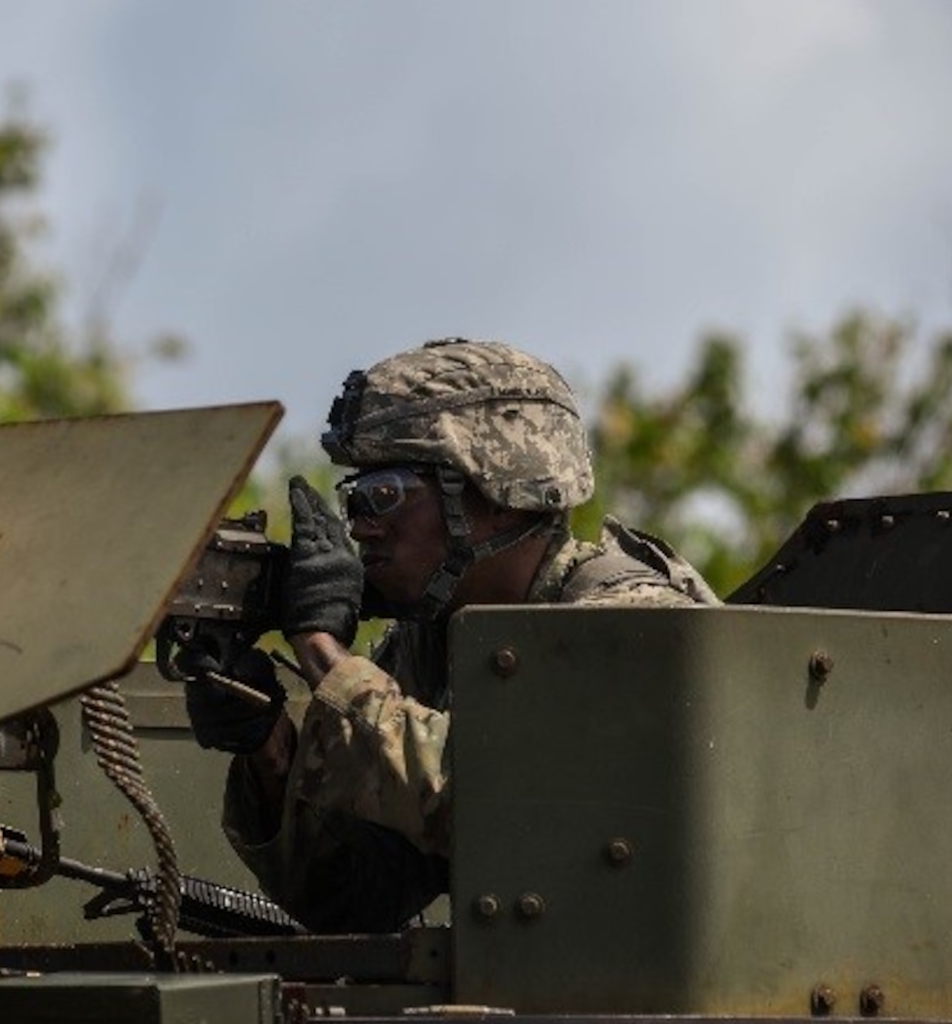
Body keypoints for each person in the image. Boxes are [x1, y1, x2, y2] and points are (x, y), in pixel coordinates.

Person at [184, 337, 717, 933]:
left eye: (384, 495)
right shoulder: (434, 645)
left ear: (497, 493)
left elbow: (517, 812)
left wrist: (324, 657)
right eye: (355, 497)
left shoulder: (633, 621)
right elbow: (354, 898)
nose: (361, 525)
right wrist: (269, 749)